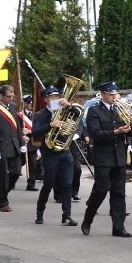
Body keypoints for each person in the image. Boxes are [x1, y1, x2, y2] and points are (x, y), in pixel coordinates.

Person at [81, 82, 132, 238]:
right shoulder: (94, 111)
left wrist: (131, 126)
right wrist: (117, 131)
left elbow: (129, 133)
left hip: (119, 156)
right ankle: (88, 218)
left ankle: (118, 227)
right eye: (110, 94)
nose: (114, 97)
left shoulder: (120, 110)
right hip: (103, 156)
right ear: (102, 94)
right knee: (101, 189)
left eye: (115, 94)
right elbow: (96, 134)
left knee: (119, 193)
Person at [33, 86, 78, 226]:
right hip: (50, 153)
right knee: (48, 184)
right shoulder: (40, 115)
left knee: (67, 184)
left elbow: (78, 116)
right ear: (46, 99)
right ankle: (39, 212)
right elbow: (35, 132)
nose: (55, 99)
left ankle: (67, 215)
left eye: (57, 96)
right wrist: (50, 125)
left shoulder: (65, 110)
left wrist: (69, 106)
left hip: (65, 151)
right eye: (52, 97)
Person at [0, 85, 29, 212]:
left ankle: (1, 191)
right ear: (2, 96)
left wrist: (21, 143)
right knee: (2, 176)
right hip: (1, 146)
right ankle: (3, 202)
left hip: (14, 144)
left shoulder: (13, 106)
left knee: (16, 172)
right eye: (9, 96)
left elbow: (18, 127)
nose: (11, 98)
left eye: (12, 96)